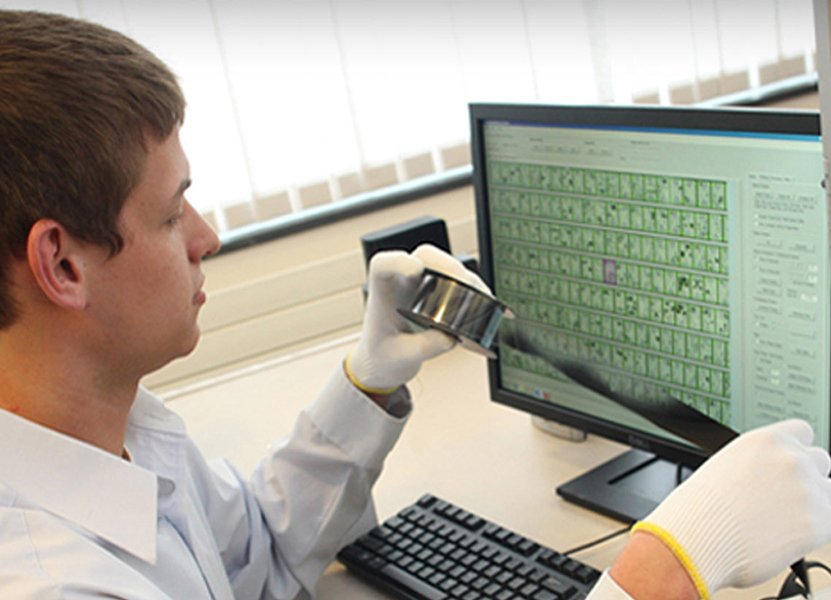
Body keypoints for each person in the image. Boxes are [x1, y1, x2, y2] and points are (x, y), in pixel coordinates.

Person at [0, 9, 830, 600]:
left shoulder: (116, 431)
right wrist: (668, 570)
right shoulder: (51, 578)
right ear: (61, 263)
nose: (207, 236)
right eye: (172, 208)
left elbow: (254, 558)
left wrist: (365, 384)